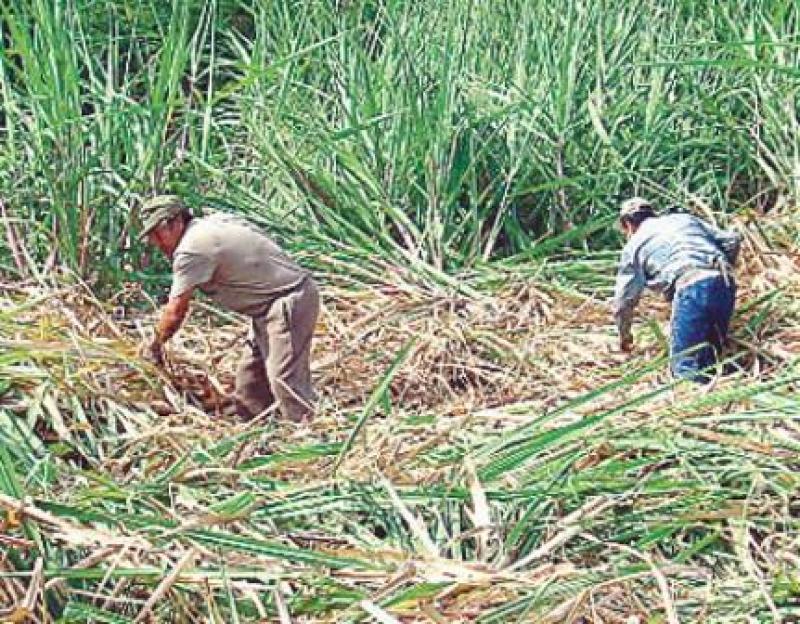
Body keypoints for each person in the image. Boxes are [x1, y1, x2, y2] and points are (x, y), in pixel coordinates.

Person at [137, 194, 320, 421]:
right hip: (267, 307)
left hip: (287, 301)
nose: (156, 243)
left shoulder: (191, 250)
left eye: (157, 233)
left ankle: (308, 439)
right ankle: (257, 437)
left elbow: (175, 311)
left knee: (285, 381)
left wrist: (154, 344)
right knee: (250, 384)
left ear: (175, 223)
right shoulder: (213, 223)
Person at [612, 197, 743, 382]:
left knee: (685, 368)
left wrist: (624, 337)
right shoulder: (685, 219)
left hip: (692, 288)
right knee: (710, 357)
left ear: (628, 224)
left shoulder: (634, 245)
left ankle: (701, 406)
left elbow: (623, 301)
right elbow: (732, 240)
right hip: (724, 284)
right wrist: (723, 268)